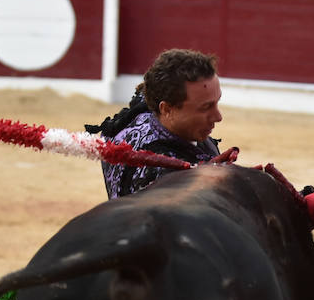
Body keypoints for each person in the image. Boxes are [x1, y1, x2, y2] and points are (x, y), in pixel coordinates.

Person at [93, 49, 223, 201]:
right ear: (167, 109)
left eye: (216, 102)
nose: (218, 117)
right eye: (205, 107)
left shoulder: (139, 111)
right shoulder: (167, 177)